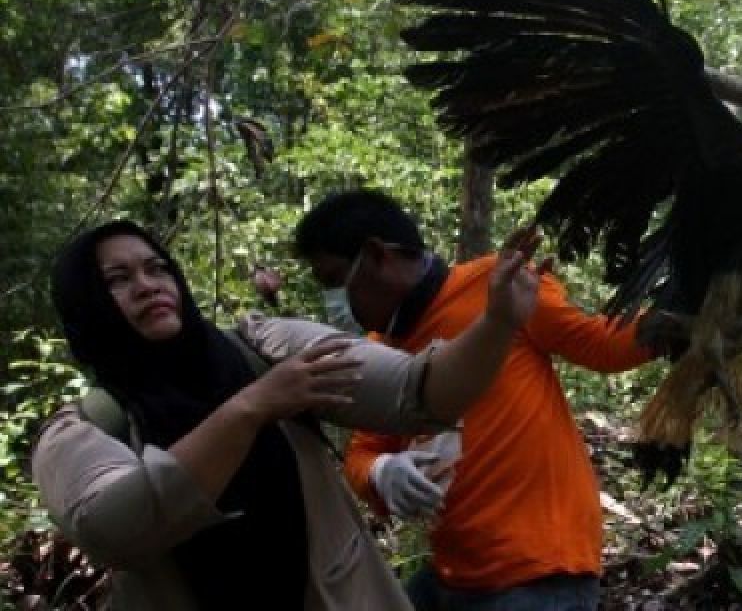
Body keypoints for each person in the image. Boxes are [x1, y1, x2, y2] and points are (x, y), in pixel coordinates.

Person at [32, 219, 544, 610]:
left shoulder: (263, 349)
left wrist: (495, 323)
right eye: (118, 280)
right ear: (87, 304)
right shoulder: (81, 430)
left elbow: (421, 392)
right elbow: (116, 527)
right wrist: (251, 409)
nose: (147, 285)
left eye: (157, 268)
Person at [293, 189, 660, 611]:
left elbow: (601, 344)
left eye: (333, 280)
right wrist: (381, 472)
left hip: (540, 570)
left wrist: (680, 318)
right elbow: (362, 452)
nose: (332, 301)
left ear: (378, 256)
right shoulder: (379, 349)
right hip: (453, 573)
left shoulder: (499, 285)